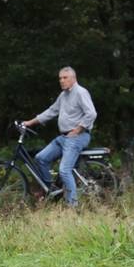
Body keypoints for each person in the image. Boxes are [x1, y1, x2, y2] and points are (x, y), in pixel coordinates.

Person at [22, 66, 97, 206]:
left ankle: (72, 206)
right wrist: (29, 123)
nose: (62, 81)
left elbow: (91, 113)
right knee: (41, 158)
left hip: (77, 137)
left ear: (73, 78)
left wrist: (79, 129)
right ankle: (52, 191)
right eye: (60, 78)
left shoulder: (81, 92)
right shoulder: (63, 95)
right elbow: (51, 111)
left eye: (65, 78)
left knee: (64, 170)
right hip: (64, 137)